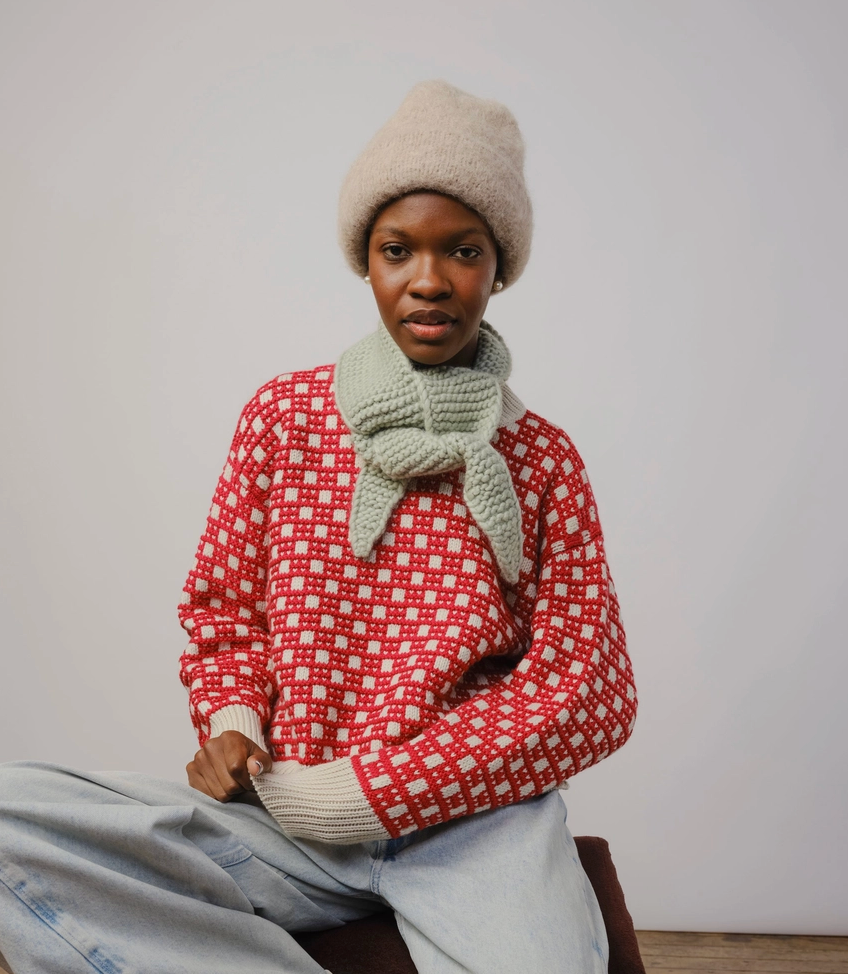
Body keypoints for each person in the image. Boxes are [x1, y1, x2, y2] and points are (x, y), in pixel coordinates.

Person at [0, 81, 636, 974]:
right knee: (12, 817)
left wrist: (376, 791)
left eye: (463, 250)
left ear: (499, 269)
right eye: (396, 249)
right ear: (365, 262)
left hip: (477, 829)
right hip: (287, 817)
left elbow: (585, 689)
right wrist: (234, 722)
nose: (428, 278)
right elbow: (226, 612)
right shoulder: (285, 419)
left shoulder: (542, 460)